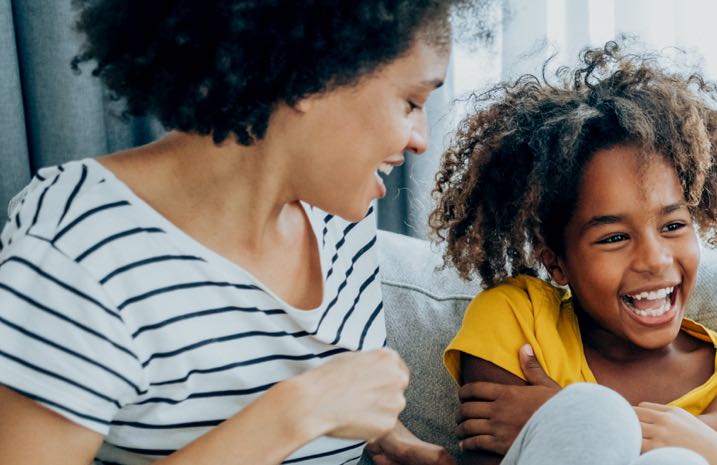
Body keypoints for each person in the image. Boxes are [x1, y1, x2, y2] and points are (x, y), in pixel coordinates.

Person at [0, 1, 474, 463]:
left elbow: (312, 389)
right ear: (312, 75)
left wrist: (391, 437)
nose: (421, 140)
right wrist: (295, 413)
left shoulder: (337, 215)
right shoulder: (75, 247)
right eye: (411, 102)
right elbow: (310, 403)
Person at [430, 41, 717, 465]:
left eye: (673, 226)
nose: (655, 260)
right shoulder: (517, 317)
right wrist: (701, 433)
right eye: (614, 238)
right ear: (556, 262)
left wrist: (558, 413)